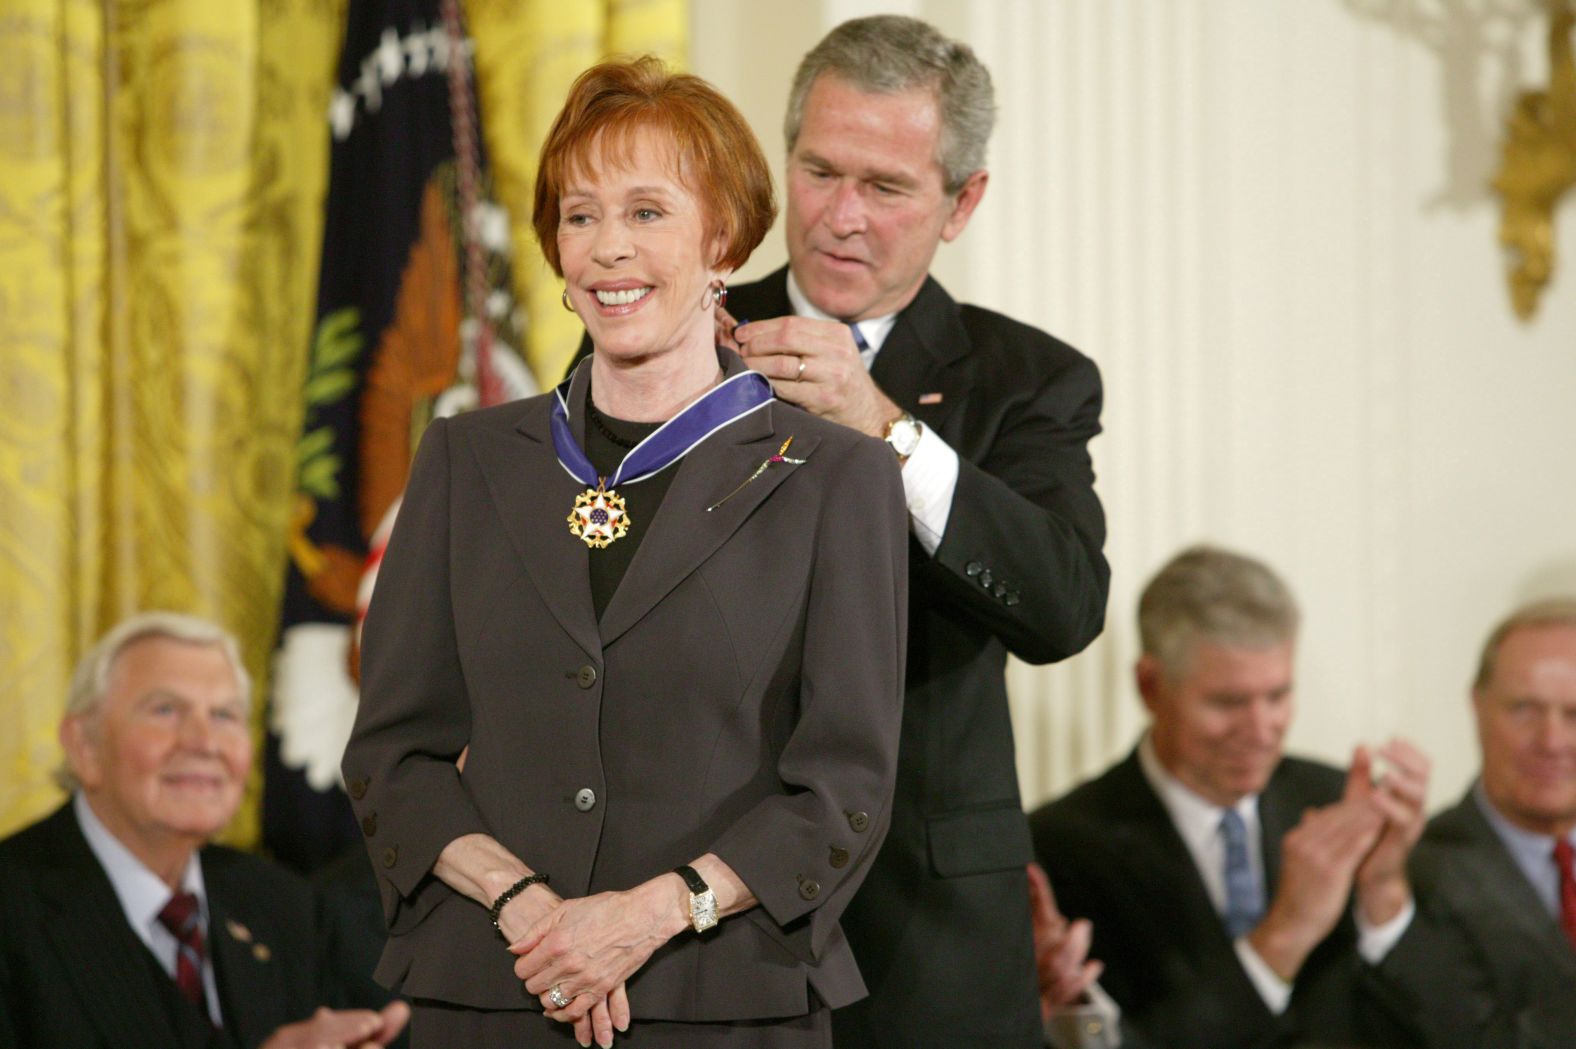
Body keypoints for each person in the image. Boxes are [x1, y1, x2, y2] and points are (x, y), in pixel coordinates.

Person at [340, 57, 907, 1049]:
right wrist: (532, 912)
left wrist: (640, 916)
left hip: (722, 997)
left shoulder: (833, 477)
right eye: (580, 215)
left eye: (647, 213)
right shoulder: (464, 458)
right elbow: (394, 755)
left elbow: (842, 788)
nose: (607, 249)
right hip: (492, 989)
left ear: (722, 238)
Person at [714, 17, 1109, 1048]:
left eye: (885, 188)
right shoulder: (683, 340)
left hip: (925, 928)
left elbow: (1063, 603)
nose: (842, 217)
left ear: (960, 202)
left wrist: (883, 425)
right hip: (700, 895)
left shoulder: (1028, 379)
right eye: (819, 171)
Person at [1028, 546, 1430, 1049]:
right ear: (1150, 687)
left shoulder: (1339, 803)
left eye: (1278, 696)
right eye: (1228, 702)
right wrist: (1282, 938)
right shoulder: (1060, 848)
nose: (1261, 730)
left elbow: (1440, 1027)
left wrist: (1386, 892)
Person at [0, 612, 409, 1049]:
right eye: (165, 710)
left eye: (225, 715)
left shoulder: (282, 905)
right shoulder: (12, 909)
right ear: (85, 746)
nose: (203, 741)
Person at [1381, 599, 1576, 1047]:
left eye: (1574, 715)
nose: (1552, 741)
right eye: (1525, 709)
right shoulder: (1416, 873)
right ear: (1478, 705)